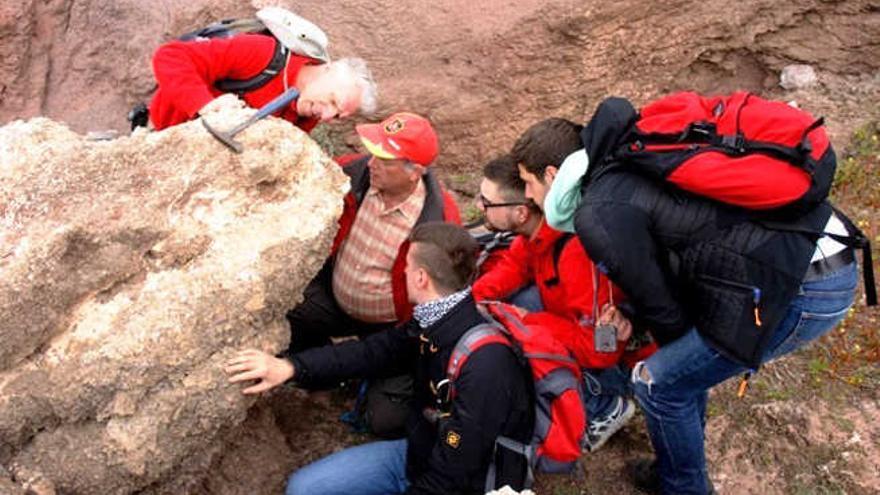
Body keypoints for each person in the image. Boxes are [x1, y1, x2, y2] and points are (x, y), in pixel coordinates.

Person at [516, 112, 861, 494]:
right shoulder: (622, 157)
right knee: (678, 371)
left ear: (551, 175)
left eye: (528, 184)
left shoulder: (596, 214)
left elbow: (665, 309)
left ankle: (684, 486)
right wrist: (639, 317)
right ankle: (677, 471)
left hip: (802, 284)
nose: (528, 197)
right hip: (810, 244)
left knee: (659, 382)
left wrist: (656, 340)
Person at [225, 223, 532, 495]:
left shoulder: (487, 365)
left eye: (407, 266)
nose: (402, 272)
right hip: (419, 455)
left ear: (422, 278)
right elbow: (371, 353)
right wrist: (291, 367)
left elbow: (457, 468)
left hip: (465, 481)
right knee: (304, 488)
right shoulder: (434, 321)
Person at [285, 112, 461, 437]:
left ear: (415, 172)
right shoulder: (352, 171)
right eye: (373, 152)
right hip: (333, 299)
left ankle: (364, 379)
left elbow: (440, 302)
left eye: (385, 159)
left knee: (386, 419)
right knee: (289, 303)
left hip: (390, 329)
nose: (371, 163)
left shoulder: (439, 223)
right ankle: (323, 374)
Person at [473, 154, 655, 452]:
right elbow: (515, 265)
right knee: (517, 306)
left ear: (520, 212)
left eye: (486, 202)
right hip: (576, 321)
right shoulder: (541, 231)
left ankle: (603, 404)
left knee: (520, 347)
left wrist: (526, 323)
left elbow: (603, 349)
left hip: (617, 361)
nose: (479, 207)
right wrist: (472, 301)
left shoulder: (578, 256)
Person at [147, 22, 377, 131]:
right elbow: (170, 56)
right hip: (164, 132)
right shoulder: (260, 53)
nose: (326, 115)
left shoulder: (307, 113)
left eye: (337, 116)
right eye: (333, 101)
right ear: (327, 69)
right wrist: (204, 104)